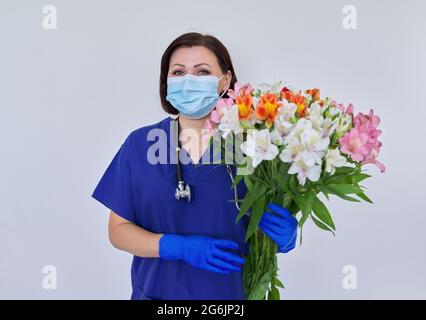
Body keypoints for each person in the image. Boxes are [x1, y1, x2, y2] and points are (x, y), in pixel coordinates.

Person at [92, 32, 298, 300]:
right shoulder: (140, 145)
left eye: (202, 72)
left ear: (224, 80)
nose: (189, 81)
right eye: (178, 72)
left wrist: (288, 236)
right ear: (166, 81)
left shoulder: (256, 147)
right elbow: (118, 231)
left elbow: (269, 226)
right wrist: (175, 247)